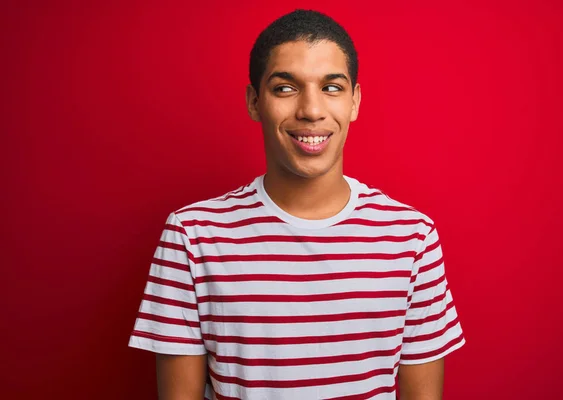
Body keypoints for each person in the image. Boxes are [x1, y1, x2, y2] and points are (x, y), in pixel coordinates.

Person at [128, 8, 466, 400]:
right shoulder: (192, 236)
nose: (311, 109)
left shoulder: (412, 238)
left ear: (355, 101)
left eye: (332, 87)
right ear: (255, 102)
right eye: (285, 88)